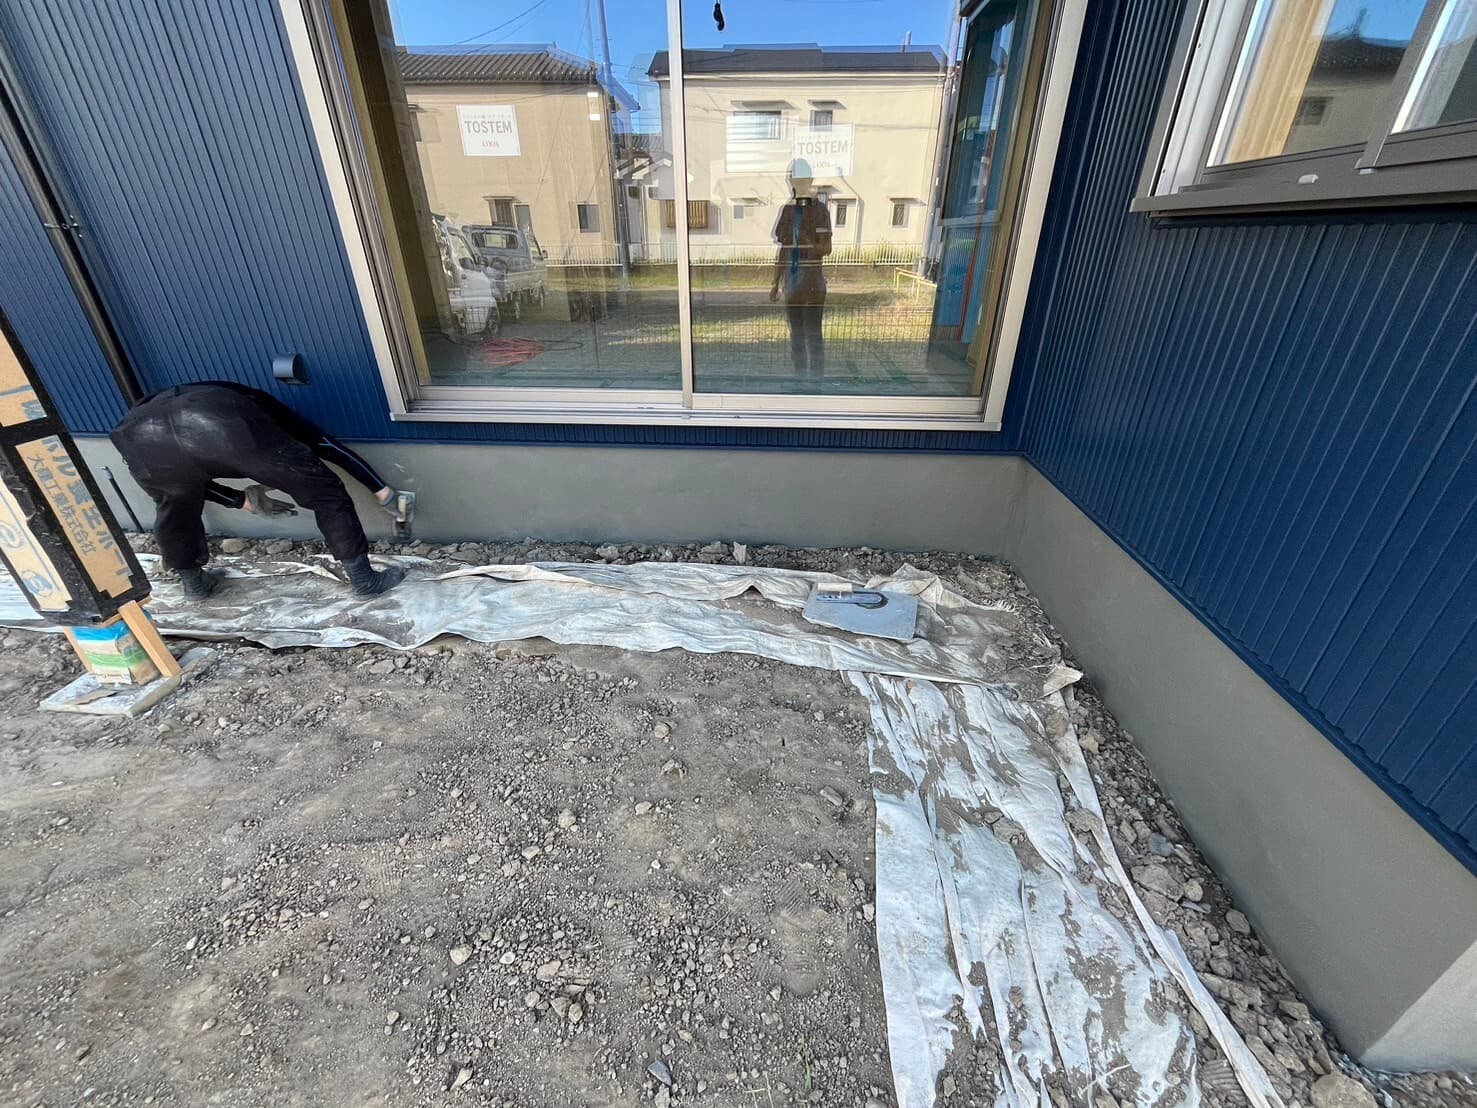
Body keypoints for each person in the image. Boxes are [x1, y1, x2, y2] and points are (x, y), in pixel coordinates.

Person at [110, 382, 407, 599]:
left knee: (174, 505)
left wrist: (239, 500)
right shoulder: (260, 404)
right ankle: (364, 580)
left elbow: (184, 486)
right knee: (326, 493)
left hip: (142, 438)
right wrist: (381, 490)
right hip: (223, 427)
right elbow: (324, 445)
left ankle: (194, 584)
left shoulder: (144, 411)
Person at [769, 158, 832, 379]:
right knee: (796, 335)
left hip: (813, 283)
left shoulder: (820, 211)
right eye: (793, 179)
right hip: (792, 282)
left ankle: (816, 381)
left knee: (813, 334)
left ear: (810, 180)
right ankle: (800, 379)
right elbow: (783, 250)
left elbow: (826, 248)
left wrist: (804, 237)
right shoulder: (788, 211)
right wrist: (775, 282)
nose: (795, 183)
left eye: (800, 179)